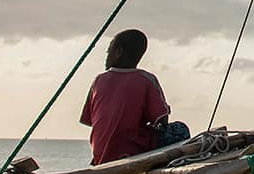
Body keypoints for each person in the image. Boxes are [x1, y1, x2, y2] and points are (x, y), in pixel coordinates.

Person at [79, 29, 184, 165]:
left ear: (119, 52)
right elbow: (162, 120)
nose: (107, 56)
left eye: (109, 51)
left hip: (101, 156)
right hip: (132, 151)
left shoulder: (98, 81)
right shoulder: (146, 79)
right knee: (180, 130)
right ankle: (163, 167)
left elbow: (90, 121)